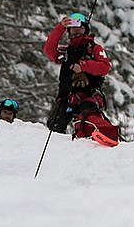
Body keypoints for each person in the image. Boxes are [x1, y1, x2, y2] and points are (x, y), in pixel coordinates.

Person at [44, 12, 119, 142]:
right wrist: (60, 27)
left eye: (80, 26)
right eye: (73, 27)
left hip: (89, 95)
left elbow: (105, 67)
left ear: (86, 29)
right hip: (67, 97)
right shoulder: (67, 51)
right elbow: (49, 50)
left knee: (87, 118)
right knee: (55, 124)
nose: (76, 30)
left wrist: (83, 66)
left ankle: (102, 136)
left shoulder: (94, 48)